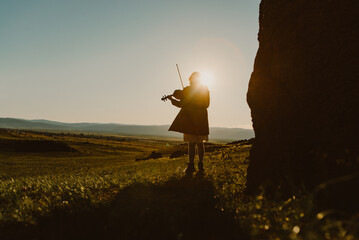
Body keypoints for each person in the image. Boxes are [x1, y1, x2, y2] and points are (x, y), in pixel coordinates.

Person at [168, 72, 210, 174]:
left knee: (191, 143)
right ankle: (201, 165)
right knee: (200, 143)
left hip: (191, 119)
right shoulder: (205, 90)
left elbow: (181, 104)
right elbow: (207, 104)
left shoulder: (188, 90)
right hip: (201, 118)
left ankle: (191, 166)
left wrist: (172, 100)